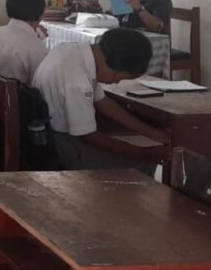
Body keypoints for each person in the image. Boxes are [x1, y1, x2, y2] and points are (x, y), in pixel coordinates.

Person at [31, 27, 169, 172]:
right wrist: (144, 154)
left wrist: (151, 132)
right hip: (61, 147)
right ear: (117, 66)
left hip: (51, 136)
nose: (116, 82)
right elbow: (88, 136)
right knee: (144, 163)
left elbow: (102, 102)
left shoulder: (70, 50)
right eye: (120, 77)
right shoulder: (78, 82)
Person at [0, 0, 49, 84]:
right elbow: (41, 84)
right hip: (18, 94)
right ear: (40, 14)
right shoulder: (36, 46)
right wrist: (37, 40)